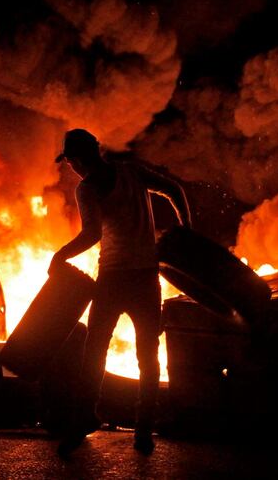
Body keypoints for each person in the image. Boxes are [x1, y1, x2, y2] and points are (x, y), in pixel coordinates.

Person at [51, 129, 191, 455]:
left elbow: (91, 234)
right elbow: (174, 189)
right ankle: (144, 430)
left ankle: (82, 420)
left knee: (94, 351)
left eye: (70, 160)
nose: (71, 166)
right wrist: (187, 229)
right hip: (145, 277)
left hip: (113, 278)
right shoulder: (133, 172)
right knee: (148, 354)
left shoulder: (87, 189)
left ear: (75, 160)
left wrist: (60, 256)